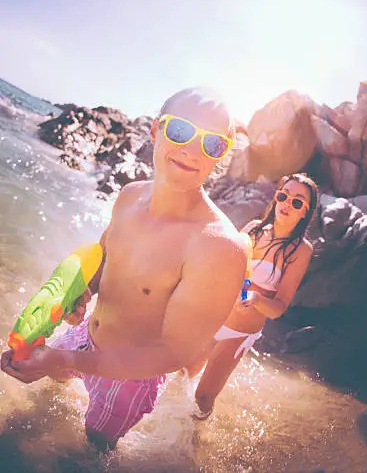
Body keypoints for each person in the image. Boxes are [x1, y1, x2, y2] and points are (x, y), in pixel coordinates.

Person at [1, 87, 249, 451]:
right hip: (83, 336)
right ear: (155, 130)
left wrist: (64, 358)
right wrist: (80, 294)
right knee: (45, 399)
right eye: (181, 131)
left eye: (212, 144)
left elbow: (173, 353)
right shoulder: (130, 195)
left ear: (220, 157)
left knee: (91, 449)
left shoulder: (217, 247)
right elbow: (103, 260)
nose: (193, 150)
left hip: (129, 379)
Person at [187, 172, 318, 420]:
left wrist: (257, 300)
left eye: (297, 202)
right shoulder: (252, 230)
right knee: (182, 376)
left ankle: (191, 445)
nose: (287, 204)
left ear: (305, 212)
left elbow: (279, 308)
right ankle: (170, 432)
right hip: (212, 317)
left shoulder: (300, 250)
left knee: (203, 398)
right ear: (276, 198)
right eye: (283, 195)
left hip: (238, 333)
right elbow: (222, 271)